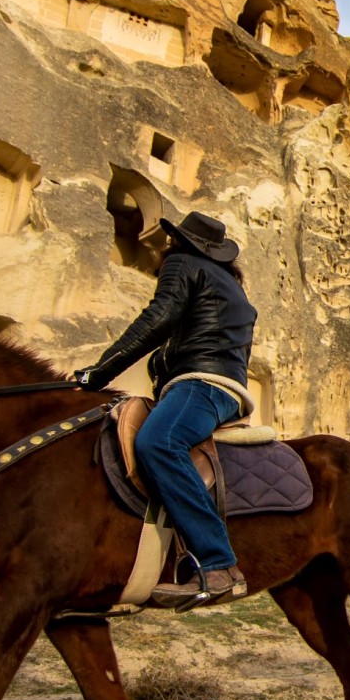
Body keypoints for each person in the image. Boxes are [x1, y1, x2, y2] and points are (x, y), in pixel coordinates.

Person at [74, 212, 256, 607]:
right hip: (224, 390)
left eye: (170, 241)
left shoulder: (183, 264)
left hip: (200, 384)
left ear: (181, 244)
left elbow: (157, 318)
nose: (163, 247)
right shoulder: (234, 289)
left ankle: (217, 564)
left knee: (160, 442)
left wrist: (100, 371)